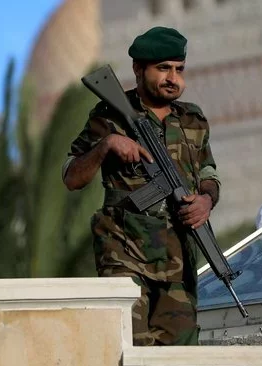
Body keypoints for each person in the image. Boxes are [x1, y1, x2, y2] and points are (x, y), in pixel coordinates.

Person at [62, 26, 221, 346]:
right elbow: (71, 176)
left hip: (178, 260)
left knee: (179, 360)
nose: (173, 78)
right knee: (128, 352)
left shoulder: (193, 119)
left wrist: (206, 199)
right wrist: (106, 145)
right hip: (125, 254)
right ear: (138, 69)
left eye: (179, 69)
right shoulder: (108, 116)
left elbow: (208, 171)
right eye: (163, 68)